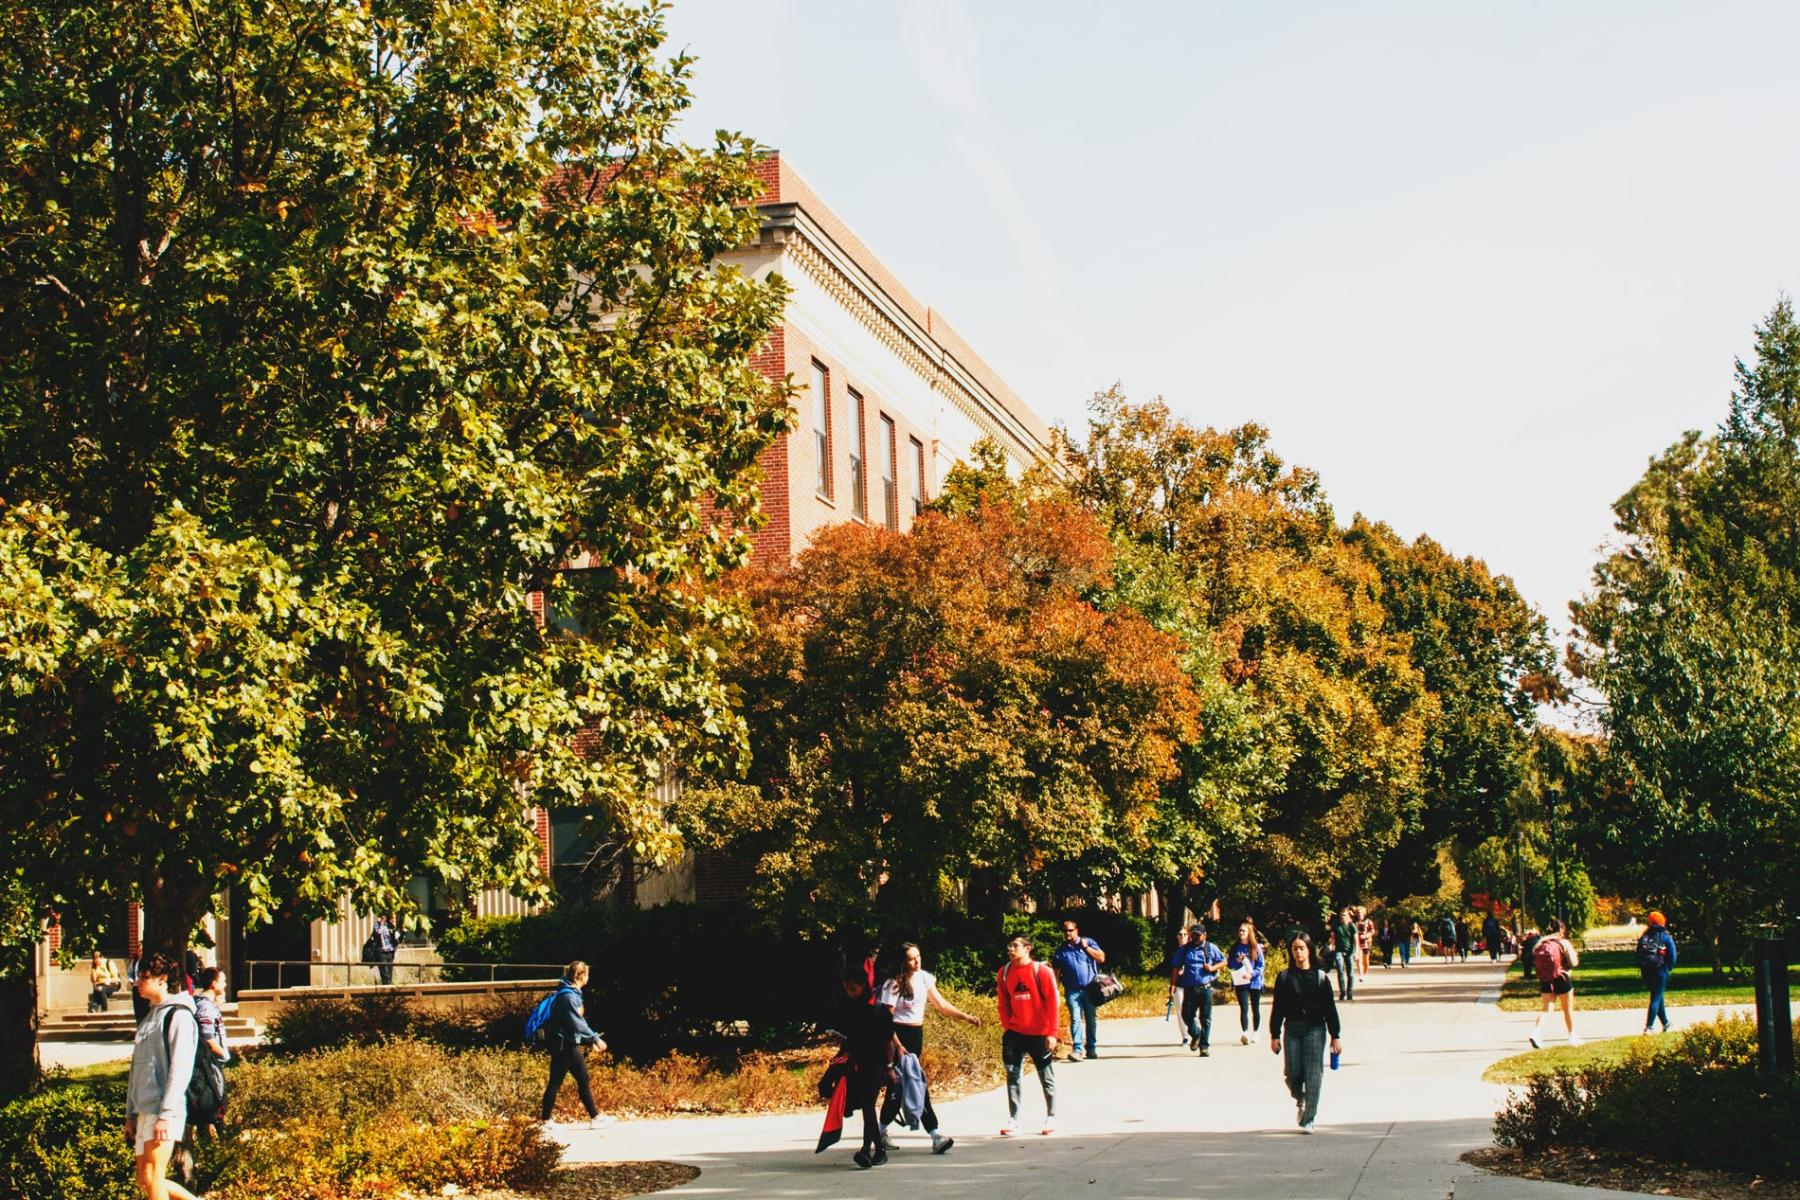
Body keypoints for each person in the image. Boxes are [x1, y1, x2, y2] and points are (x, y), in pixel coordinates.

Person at [876, 942, 979, 1154]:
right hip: (896, 1038)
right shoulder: (893, 984)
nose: (917, 961)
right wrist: (898, 1045)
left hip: (915, 1037)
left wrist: (965, 1017)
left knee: (906, 1085)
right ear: (902, 962)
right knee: (910, 1085)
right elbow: (886, 1020)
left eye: (918, 956)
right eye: (912, 958)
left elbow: (941, 1005)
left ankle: (879, 1132)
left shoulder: (924, 978)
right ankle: (935, 1134)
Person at [125, 952, 200, 1200]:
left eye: (144, 977)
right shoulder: (148, 1019)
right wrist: (130, 1114)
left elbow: (181, 1069)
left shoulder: (179, 1016)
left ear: (162, 979)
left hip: (165, 1110)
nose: (137, 983)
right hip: (144, 1109)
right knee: (145, 1178)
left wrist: (166, 1115)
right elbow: (137, 1070)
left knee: (154, 1174)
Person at [1268, 932, 1342, 1134]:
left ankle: (1309, 1117)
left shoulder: (1320, 977)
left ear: (1309, 950)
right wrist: (1274, 1034)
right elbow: (1278, 1007)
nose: (1298, 952)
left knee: (1313, 1074)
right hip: (1292, 1028)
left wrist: (1336, 1036)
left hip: (1315, 1029)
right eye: (1295, 948)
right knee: (1292, 1073)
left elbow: (1330, 1008)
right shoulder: (1284, 977)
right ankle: (1300, 1098)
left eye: (1302, 948)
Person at [836, 966, 898, 1168]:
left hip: (877, 1063)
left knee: (868, 1106)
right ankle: (872, 1150)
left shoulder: (879, 1010)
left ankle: (871, 1150)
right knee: (866, 1106)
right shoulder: (852, 1008)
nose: (849, 993)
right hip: (858, 1062)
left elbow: (888, 1041)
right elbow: (852, 1036)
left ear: (863, 986)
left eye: (852, 989)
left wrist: (889, 1067)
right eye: (846, 989)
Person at [996, 935, 1058, 1136]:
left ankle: (1051, 1116)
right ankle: (1014, 1118)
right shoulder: (1004, 973)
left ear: (1028, 948)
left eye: (1015, 946)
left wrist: (1052, 1032)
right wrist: (1008, 1025)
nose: (1011, 949)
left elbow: (1052, 1003)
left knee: (1046, 1076)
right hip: (1015, 1033)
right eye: (1009, 946)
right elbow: (1003, 1002)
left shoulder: (1042, 972)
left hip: (1039, 1033)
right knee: (1012, 1074)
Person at [539, 961, 610, 1126]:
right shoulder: (569, 997)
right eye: (587, 974)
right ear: (582, 975)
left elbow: (573, 1023)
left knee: (577, 1078)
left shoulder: (570, 994)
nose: (588, 978)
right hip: (564, 1045)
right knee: (566, 1080)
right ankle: (546, 1121)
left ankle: (594, 1117)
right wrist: (595, 1038)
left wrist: (586, 1040)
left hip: (564, 1042)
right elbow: (577, 1022)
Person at [1051, 919, 1106, 1062]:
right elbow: (1056, 972)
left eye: (1070, 930)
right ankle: (1077, 1050)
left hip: (1090, 988)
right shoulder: (1061, 950)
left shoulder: (1088, 942)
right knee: (1075, 1018)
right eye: (1065, 931)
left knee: (1090, 1019)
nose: (1067, 933)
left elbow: (1101, 958)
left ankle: (1091, 1048)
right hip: (1072, 990)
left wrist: (1087, 948)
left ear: (1077, 930)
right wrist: (1054, 988)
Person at [1170, 922, 1225, 1056]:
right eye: (1193, 935)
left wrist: (1212, 968)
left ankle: (1204, 1046)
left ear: (1204, 935)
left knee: (1205, 1018)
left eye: (1198, 935)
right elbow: (1176, 967)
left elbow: (1224, 961)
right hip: (1190, 988)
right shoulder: (1184, 950)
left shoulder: (1210, 948)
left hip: (1205, 988)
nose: (1195, 937)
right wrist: (1173, 984)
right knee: (1186, 1015)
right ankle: (1196, 1034)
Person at [1527, 918, 1581, 1047]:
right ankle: (1572, 1036)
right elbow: (1573, 962)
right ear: (1561, 929)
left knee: (1546, 1009)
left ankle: (1536, 1033)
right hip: (1562, 977)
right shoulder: (1563, 943)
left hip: (1545, 979)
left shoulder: (1540, 943)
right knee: (1567, 1008)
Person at [1636, 911, 1678, 1035]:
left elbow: (1638, 953)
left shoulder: (1645, 936)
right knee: (1656, 998)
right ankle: (1649, 1027)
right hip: (1660, 970)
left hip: (1646, 970)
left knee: (1658, 997)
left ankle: (1666, 1023)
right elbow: (1673, 956)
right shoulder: (1665, 936)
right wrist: (1668, 967)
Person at [1227, 919, 1266, 1042]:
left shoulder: (1256, 947)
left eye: (1243, 931)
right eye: (1239, 931)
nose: (1241, 933)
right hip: (1241, 980)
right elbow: (1229, 964)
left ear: (1249, 932)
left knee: (1255, 1007)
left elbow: (1261, 965)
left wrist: (1253, 974)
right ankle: (1245, 1032)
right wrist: (1237, 961)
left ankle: (1256, 1032)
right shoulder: (1235, 947)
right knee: (1244, 1007)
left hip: (1254, 981)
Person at [1331, 909, 1358, 1002]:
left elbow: (1355, 939)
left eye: (1344, 915)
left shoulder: (1351, 926)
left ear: (1348, 916)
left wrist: (1357, 952)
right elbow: (1333, 937)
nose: (1343, 917)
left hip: (1350, 950)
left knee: (1350, 973)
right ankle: (1343, 992)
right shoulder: (1336, 926)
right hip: (1339, 950)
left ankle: (1350, 992)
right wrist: (1331, 945)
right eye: (1341, 915)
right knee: (1340, 971)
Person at [364, 915, 399, 985]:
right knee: (385, 974)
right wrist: (382, 923)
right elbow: (377, 933)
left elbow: (396, 938)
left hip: (390, 951)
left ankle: (389, 990)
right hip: (381, 952)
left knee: (389, 973)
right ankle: (387, 990)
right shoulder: (377, 925)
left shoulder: (389, 925)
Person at [1356, 907, 1375, 980]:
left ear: (1364, 913)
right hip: (1357, 942)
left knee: (1365, 960)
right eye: (1358, 912)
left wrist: (1366, 935)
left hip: (1366, 942)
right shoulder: (1355, 922)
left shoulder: (1368, 921)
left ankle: (1365, 973)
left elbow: (1372, 931)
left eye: (1360, 912)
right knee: (1358, 959)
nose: (1359, 914)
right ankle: (1361, 975)